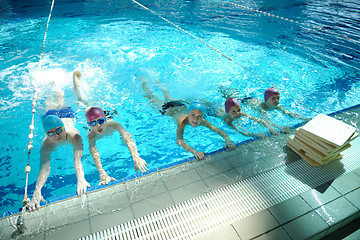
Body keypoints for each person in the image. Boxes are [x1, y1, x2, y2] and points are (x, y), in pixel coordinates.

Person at [73, 71, 147, 185]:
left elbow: (127, 136)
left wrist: (135, 156)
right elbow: (94, 152)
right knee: (83, 102)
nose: (98, 126)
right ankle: (76, 82)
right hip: (92, 112)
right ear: (88, 125)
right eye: (93, 124)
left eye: (101, 122)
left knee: (94, 103)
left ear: (105, 120)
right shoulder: (92, 135)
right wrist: (102, 172)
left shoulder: (113, 124)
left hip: (102, 112)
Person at [27, 82, 90, 210]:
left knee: (60, 100)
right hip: (50, 116)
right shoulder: (46, 145)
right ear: (46, 134)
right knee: (49, 102)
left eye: (58, 131)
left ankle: (57, 85)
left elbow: (77, 159)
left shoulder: (74, 136)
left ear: (63, 128)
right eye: (51, 133)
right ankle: (51, 85)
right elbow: (44, 169)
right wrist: (37, 191)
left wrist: (81, 178)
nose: (56, 136)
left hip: (66, 114)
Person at [140, 77, 236, 160]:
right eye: (193, 115)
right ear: (188, 114)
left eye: (199, 116)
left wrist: (228, 140)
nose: (195, 119)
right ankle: (144, 82)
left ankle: (161, 85)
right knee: (151, 97)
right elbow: (179, 140)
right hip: (167, 109)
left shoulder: (202, 121)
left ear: (202, 116)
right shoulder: (182, 122)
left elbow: (218, 130)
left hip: (180, 104)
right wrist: (195, 152)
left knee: (168, 96)